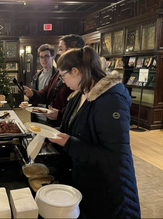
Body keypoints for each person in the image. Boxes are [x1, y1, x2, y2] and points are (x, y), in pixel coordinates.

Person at [49, 46, 141, 218]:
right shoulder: (79, 94)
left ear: (75, 71)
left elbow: (114, 158)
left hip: (107, 190)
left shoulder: (111, 100)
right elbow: (73, 131)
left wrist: (69, 143)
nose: (62, 81)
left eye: (62, 75)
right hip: (85, 181)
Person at [23, 34, 85, 127]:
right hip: (53, 124)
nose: (58, 53)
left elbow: (79, 108)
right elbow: (47, 93)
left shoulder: (80, 75)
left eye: (60, 49)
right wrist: (31, 93)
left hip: (67, 126)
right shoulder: (58, 73)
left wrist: (60, 114)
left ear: (71, 50)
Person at [30, 44, 57, 124]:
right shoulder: (36, 77)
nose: (43, 60)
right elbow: (36, 96)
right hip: (37, 116)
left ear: (53, 57)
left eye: (46, 56)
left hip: (51, 118)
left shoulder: (58, 76)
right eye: (41, 57)